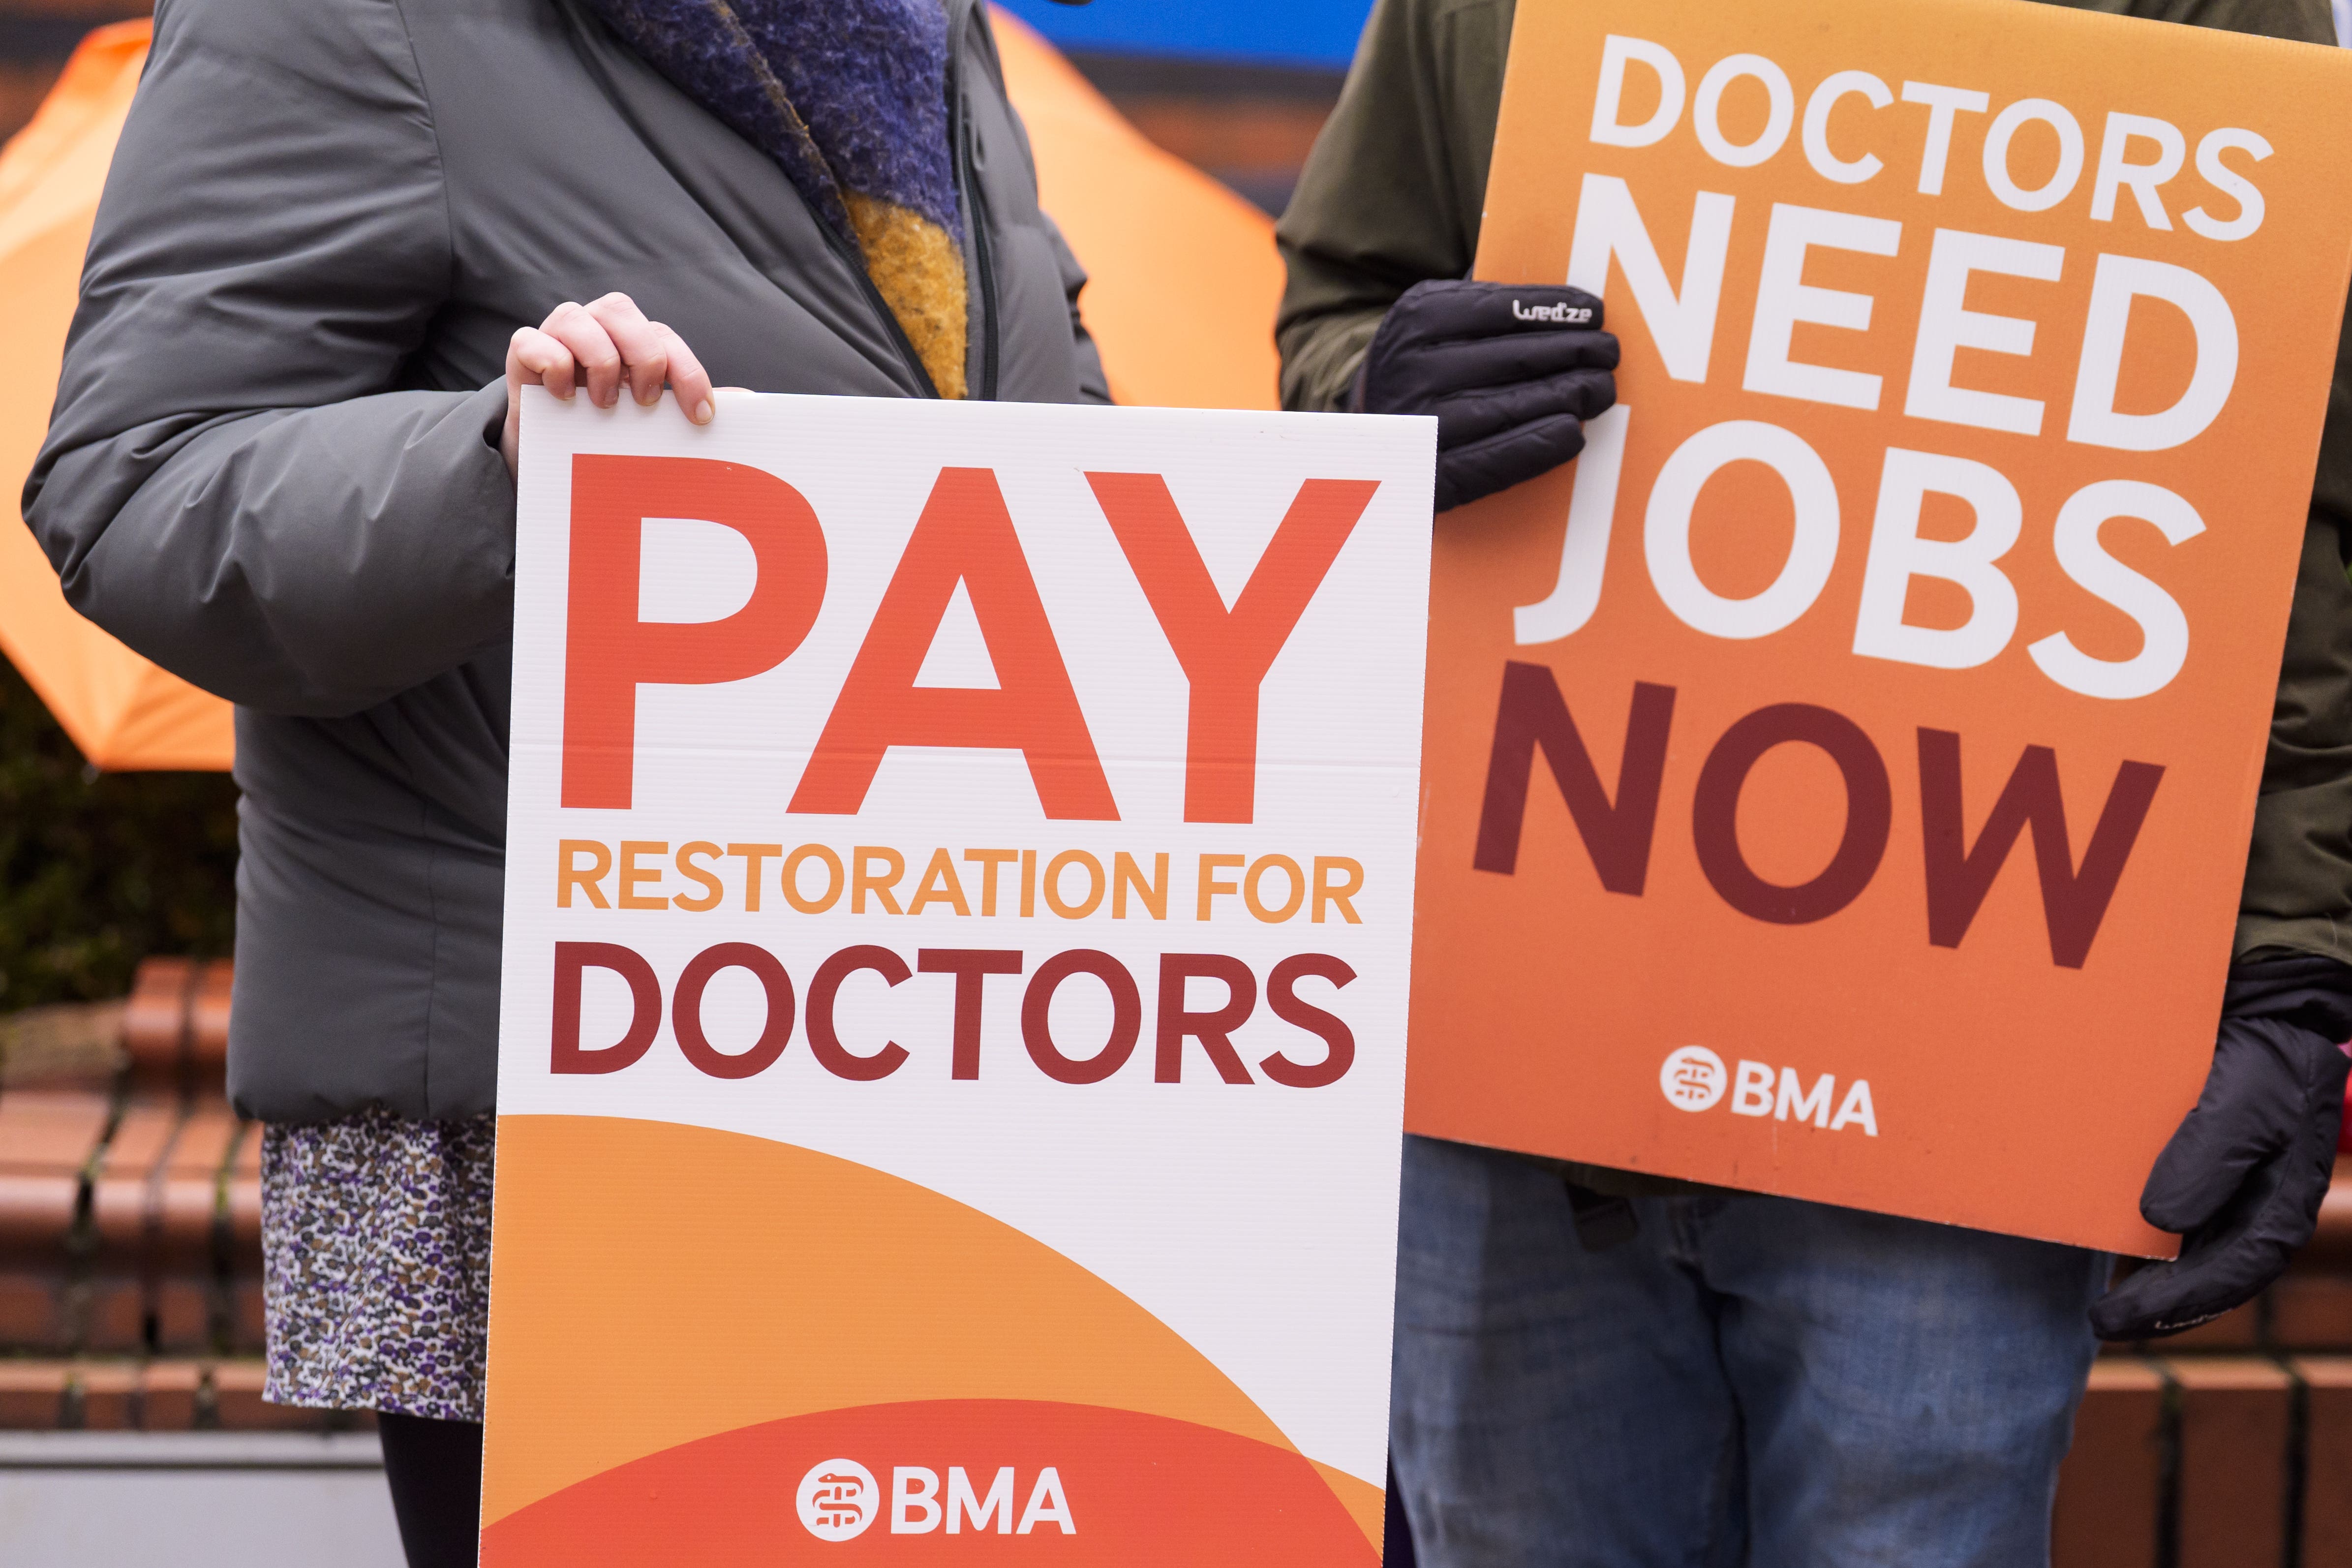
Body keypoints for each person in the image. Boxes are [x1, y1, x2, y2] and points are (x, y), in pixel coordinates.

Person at [25, 1, 1105, 1563]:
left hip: (904, 1037)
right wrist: (495, 468)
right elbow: (132, 482)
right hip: (538, 1087)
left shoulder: (928, 28)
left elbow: (1038, 420)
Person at [1277, 0, 2352, 1562]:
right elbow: (1342, 308)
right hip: (1512, 1038)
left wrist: (2292, 955)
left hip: (1956, 1071)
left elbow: (2291, 487)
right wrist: (1370, 406)